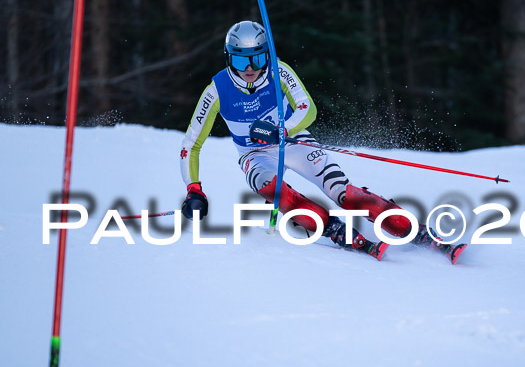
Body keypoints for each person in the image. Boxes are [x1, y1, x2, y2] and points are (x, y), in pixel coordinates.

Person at [179, 20, 436, 259]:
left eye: (257, 59)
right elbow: (191, 144)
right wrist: (194, 190)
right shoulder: (216, 91)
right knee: (273, 189)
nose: (250, 69)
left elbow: (307, 108)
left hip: (293, 141)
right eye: (240, 60)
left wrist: (284, 127)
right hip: (254, 155)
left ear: (266, 54)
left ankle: (413, 229)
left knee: (345, 194)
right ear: (228, 57)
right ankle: (331, 227)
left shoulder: (278, 71)